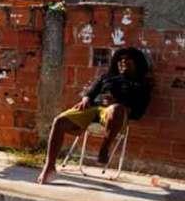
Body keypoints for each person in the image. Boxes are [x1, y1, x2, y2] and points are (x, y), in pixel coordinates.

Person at [37, 47, 151, 184]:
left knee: (116, 109)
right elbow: (90, 93)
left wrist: (119, 104)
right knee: (59, 120)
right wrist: (85, 100)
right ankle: (49, 167)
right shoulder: (107, 77)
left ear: (137, 63)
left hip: (114, 115)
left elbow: (138, 113)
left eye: (127, 59)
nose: (123, 62)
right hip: (93, 108)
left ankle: (104, 149)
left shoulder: (141, 85)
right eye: (120, 60)